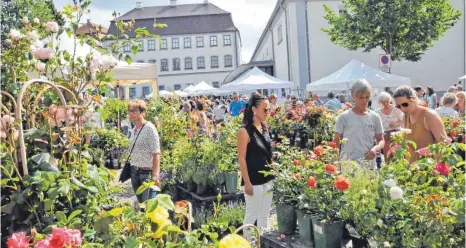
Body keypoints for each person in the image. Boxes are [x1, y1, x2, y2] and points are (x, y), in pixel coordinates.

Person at [237, 92, 274, 239]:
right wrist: (247, 182)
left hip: (268, 178)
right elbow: (241, 158)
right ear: (254, 109)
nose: (268, 112)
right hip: (253, 180)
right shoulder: (244, 131)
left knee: (265, 214)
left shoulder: (264, 127)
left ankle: (262, 241)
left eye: (269, 109)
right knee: (252, 215)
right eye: (265, 109)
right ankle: (249, 242)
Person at [334, 79, 385, 168]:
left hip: (368, 164)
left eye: (367, 97)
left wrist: (375, 149)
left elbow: (381, 140)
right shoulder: (344, 117)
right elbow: (336, 141)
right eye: (361, 97)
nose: (364, 100)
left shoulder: (375, 117)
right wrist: (336, 163)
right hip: (348, 164)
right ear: (353, 96)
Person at [393, 85, 447, 161]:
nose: (402, 108)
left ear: (414, 99)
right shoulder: (405, 117)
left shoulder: (429, 115)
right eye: (398, 106)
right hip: (412, 168)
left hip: (429, 167)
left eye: (405, 104)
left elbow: (444, 145)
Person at [127, 99, 161, 203]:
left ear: (142, 112)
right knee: (141, 205)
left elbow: (156, 153)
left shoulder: (149, 128)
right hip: (134, 173)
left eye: (134, 111)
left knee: (148, 206)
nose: (131, 113)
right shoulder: (133, 130)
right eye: (129, 111)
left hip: (146, 173)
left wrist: (155, 176)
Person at [375, 92, 404, 158]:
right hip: (385, 135)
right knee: (387, 154)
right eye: (383, 102)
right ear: (380, 102)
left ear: (389, 100)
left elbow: (403, 120)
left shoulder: (396, 109)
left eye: (387, 101)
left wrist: (396, 124)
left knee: (397, 153)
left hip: (396, 134)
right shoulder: (377, 112)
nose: (385, 104)